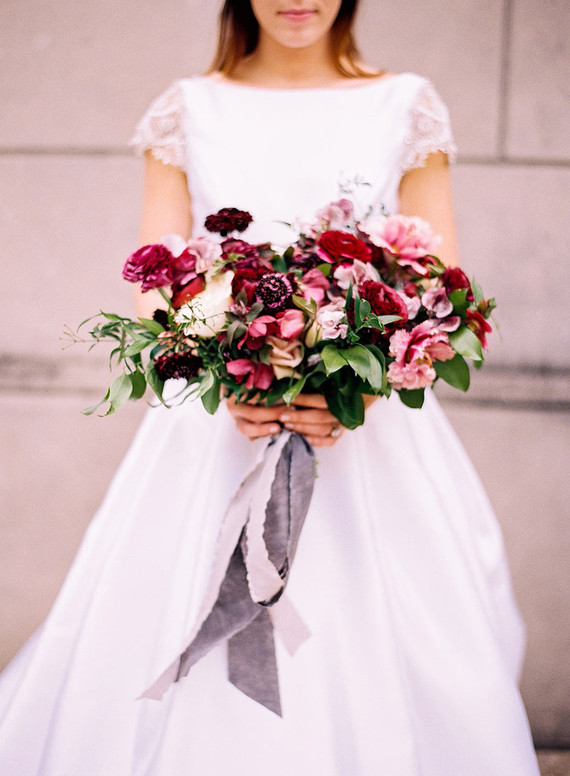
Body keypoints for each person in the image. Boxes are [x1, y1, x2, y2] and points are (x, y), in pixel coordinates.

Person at [0, 1, 540, 774]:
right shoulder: (187, 109)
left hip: (365, 424)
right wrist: (220, 374)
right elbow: (155, 283)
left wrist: (360, 385)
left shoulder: (405, 104)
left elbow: (438, 278)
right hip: (223, 417)